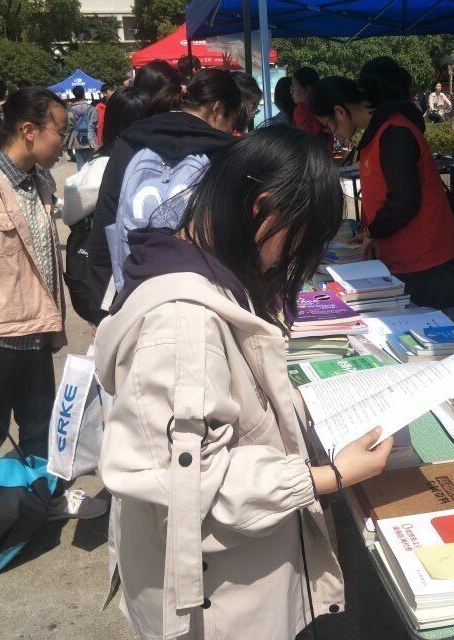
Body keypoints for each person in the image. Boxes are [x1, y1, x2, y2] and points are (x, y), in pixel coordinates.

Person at [95, 124, 392, 638]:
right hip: (218, 604)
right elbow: (189, 487)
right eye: (296, 241)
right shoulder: (183, 322)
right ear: (263, 210)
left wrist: (289, 401)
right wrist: (333, 476)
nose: (290, 260)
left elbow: (209, 408)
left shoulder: (192, 260)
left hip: (231, 582)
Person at [0, 87, 106, 519]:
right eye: (60, 131)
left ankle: (42, 501)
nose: (64, 141)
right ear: (29, 130)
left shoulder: (40, 184)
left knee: (40, 427)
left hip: (35, 331)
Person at [86, 68, 243, 322]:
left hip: (135, 291)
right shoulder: (225, 151)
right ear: (217, 108)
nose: (229, 130)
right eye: (231, 121)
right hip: (203, 296)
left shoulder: (133, 140)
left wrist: (100, 307)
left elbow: (107, 217)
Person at [311, 76, 454, 309]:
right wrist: (370, 232)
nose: (332, 133)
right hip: (406, 257)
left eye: (328, 125)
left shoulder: (394, 133)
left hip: (426, 261)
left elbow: (404, 199)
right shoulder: (379, 132)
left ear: (340, 111)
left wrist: (374, 231)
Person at [62, 87, 148, 323]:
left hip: (105, 280)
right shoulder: (154, 165)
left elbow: (70, 213)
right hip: (142, 274)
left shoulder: (100, 165)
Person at [291, 66, 330, 144]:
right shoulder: (326, 108)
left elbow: (305, 142)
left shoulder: (301, 110)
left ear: (307, 90)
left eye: (294, 86)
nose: (291, 92)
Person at [66, 85, 97, 170]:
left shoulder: (71, 110)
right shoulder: (91, 108)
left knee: (80, 164)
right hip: (90, 140)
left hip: (77, 139)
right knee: (91, 164)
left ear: (74, 95)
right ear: (84, 94)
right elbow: (94, 124)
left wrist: (65, 142)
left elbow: (69, 127)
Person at [94, 82, 116, 147]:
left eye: (115, 90)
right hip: (102, 139)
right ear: (104, 93)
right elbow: (95, 125)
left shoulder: (118, 104)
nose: (114, 92)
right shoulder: (98, 107)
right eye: (112, 91)